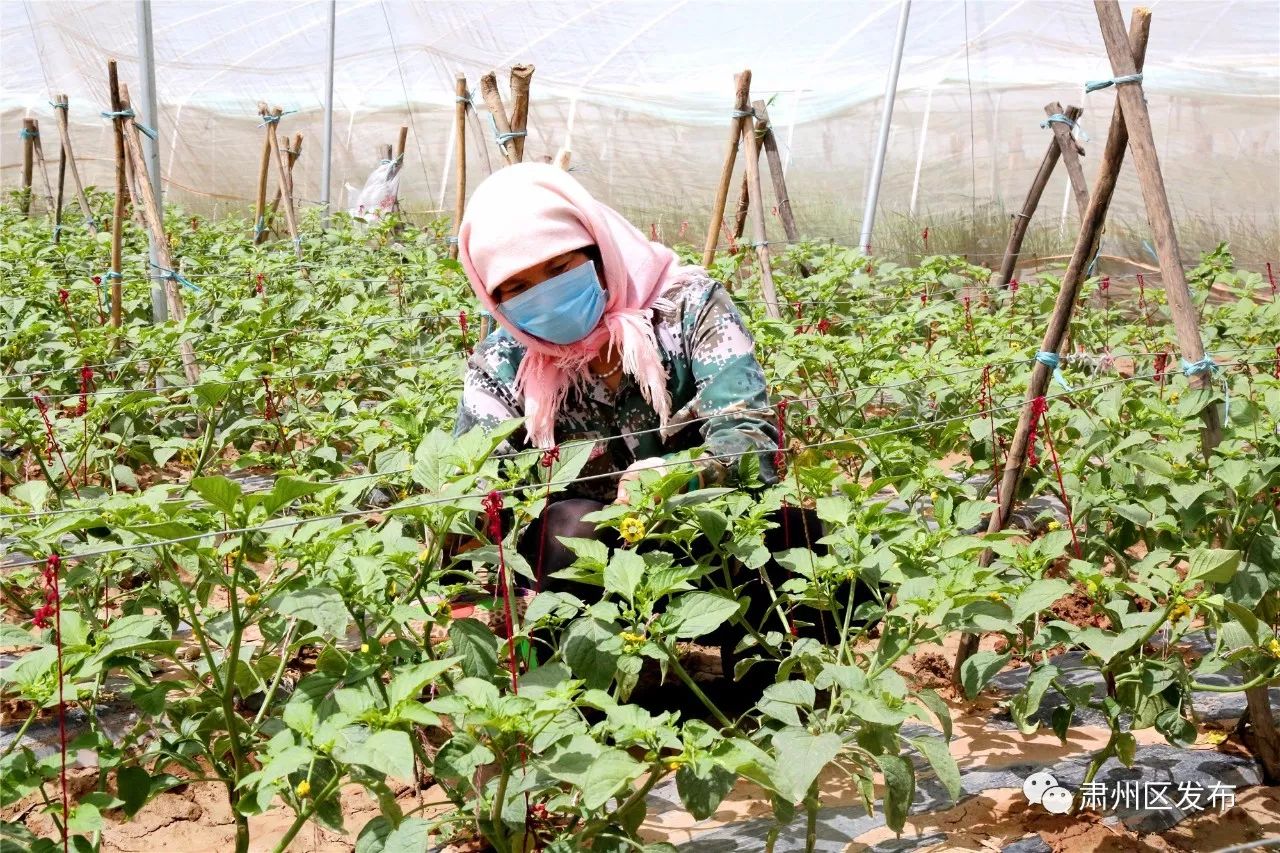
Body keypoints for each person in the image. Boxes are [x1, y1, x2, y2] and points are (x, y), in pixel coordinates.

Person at [450, 163, 827, 664]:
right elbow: (468, 480)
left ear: (598, 254)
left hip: (702, 540)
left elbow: (750, 438)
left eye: (559, 269)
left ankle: (764, 700)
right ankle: (583, 697)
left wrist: (679, 477)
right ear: (494, 299)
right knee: (569, 525)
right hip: (582, 571)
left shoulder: (689, 310)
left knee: (806, 545)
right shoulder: (506, 363)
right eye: (517, 288)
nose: (542, 294)